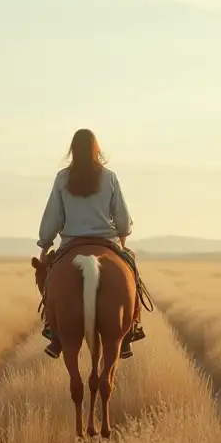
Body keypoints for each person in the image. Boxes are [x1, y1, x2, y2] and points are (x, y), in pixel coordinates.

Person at [36, 128, 147, 359]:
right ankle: (129, 331)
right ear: (97, 149)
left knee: (50, 279)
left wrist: (45, 244)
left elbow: (52, 217)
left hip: (70, 243)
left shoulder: (62, 178)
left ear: (72, 151)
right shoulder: (110, 177)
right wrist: (123, 235)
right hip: (106, 241)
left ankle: (54, 331)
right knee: (132, 271)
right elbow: (123, 220)